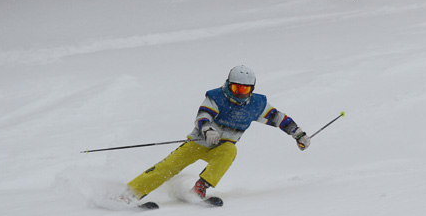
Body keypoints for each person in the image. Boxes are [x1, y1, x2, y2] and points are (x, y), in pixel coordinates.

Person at [120, 65, 310, 206]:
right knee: (168, 167)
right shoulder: (216, 97)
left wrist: (298, 134)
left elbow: (279, 118)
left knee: (229, 151)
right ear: (228, 85)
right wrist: (207, 130)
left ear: (252, 89)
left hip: (222, 146)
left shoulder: (256, 104)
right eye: (236, 89)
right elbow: (203, 116)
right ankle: (129, 194)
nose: (240, 94)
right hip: (200, 142)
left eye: (245, 90)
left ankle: (200, 187)